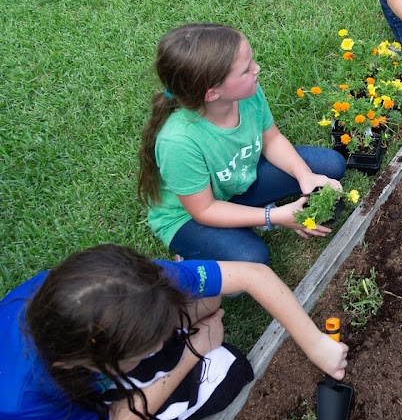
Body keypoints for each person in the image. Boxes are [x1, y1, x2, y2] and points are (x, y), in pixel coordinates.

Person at [0, 244, 349, 420]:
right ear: (90, 363)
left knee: (211, 295)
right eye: (146, 348)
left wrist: (316, 344)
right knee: (226, 372)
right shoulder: (25, 402)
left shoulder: (132, 284)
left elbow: (251, 275)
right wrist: (192, 352)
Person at [138, 23, 347, 265]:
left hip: (234, 184)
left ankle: (247, 213)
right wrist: (275, 216)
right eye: (246, 69)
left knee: (330, 165)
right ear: (212, 93)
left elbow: (272, 139)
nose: (257, 69)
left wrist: (304, 175)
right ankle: (192, 254)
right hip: (190, 216)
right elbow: (204, 209)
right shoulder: (178, 142)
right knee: (251, 257)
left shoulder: (247, 94)